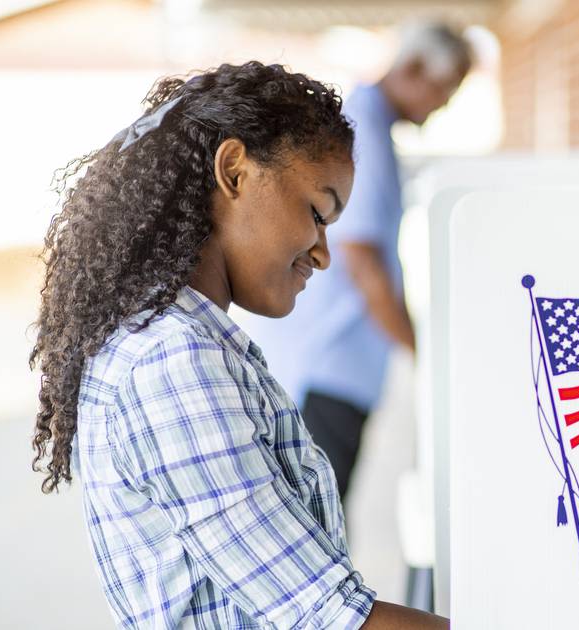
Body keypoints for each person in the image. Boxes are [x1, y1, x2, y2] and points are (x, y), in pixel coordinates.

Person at [30, 62, 446, 629]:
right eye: (317, 213)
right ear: (234, 172)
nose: (324, 253)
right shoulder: (173, 360)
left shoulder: (186, 341)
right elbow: (329, 619)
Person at [247, 23, 472, 514]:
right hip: (328, 367)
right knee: (315, 532)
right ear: (412, 70)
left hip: (343, 368)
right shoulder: (361, 131)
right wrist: (424, 354)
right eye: (445, 88)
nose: (445, 104)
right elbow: (363, 261)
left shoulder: (375, 126)